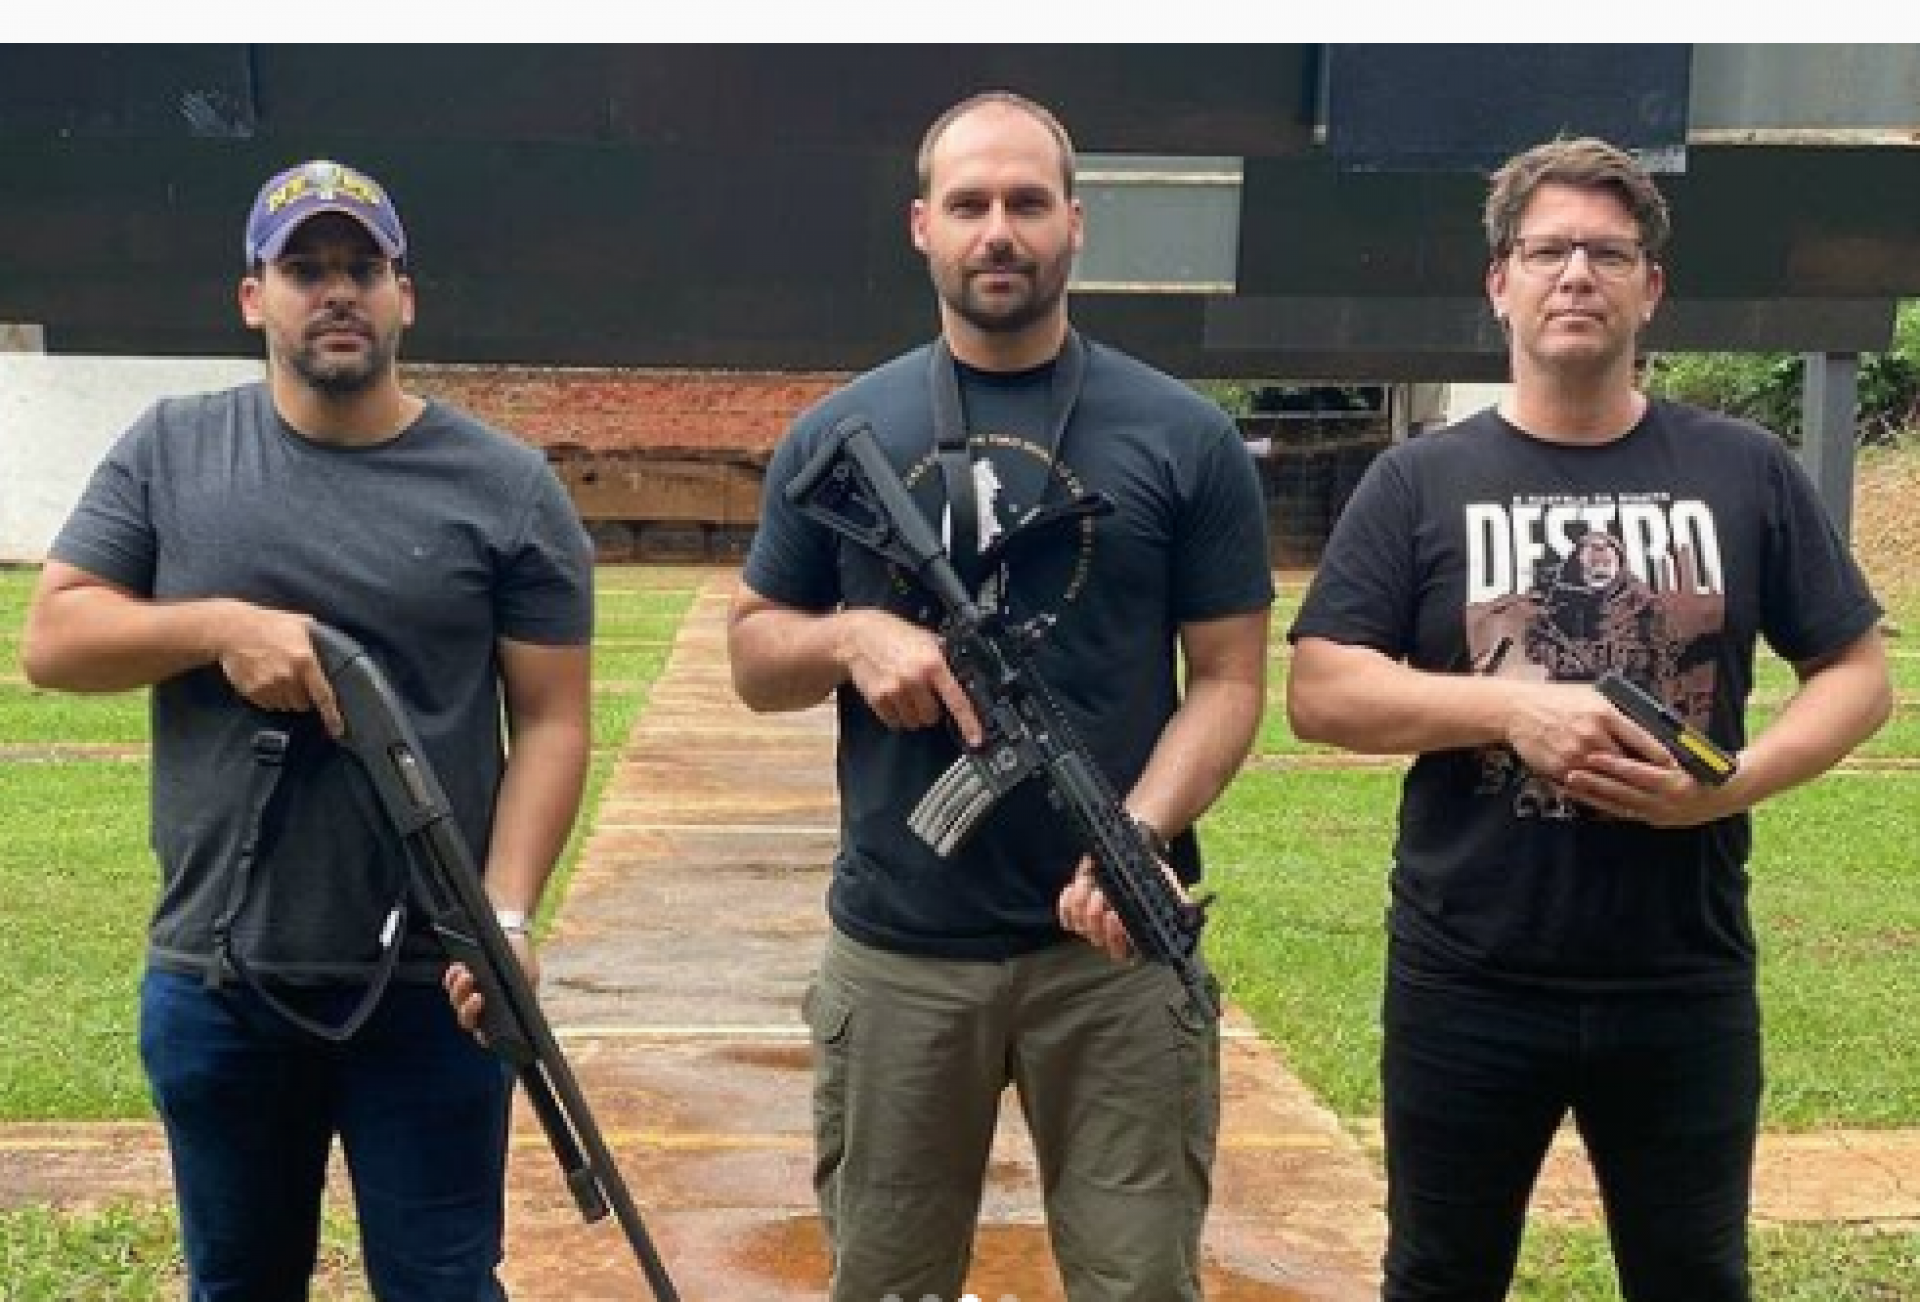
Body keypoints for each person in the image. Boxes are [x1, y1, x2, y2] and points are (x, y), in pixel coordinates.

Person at [1286, 135, 1893, 1301]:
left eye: (1608, 254)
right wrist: (1512, 709)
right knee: (1439, 1278)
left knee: (1693, 1278)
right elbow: (1322, 689)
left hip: (1682, 975)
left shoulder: (1745, 468)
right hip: (1467, 976)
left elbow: (1858, 675)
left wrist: (1736, 783)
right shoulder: (1420, 480)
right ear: (1499, 282)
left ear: (1650, 288)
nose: (1577, 274)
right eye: (1548, 250)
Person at [726, 90, 1273, 1301]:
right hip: (902, 952)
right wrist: (855, 636)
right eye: (969, 203)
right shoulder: (839, 434)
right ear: (922, 225)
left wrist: (1139, 831)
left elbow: (1232, 680)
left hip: (1114, 958)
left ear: (1076, 223)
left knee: (1141, 1284)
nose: (999, 231)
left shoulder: (1185, 437)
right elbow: (754, 656)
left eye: (1028, 202)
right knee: (886, 1280)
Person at [22, 158, 594, 1300]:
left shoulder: (506, 485)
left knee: (443, 1286)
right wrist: (218, 627)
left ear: (403, 296)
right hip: (220, 977)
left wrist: (506, 920)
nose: (337, 291)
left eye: (363, 268)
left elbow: (551, 720)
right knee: (237, 1285)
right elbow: (55, 639)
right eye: (305, 269)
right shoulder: (172, 450)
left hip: (437, 982)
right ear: (254, 297)